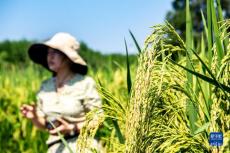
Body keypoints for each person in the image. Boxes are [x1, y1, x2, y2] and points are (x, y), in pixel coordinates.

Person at [20, 32, 102, 153]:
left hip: (83, 146)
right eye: (48, 52)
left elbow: (99, 119)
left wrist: (72, 128)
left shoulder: (85, 83)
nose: (50, 56)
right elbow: (46, 125)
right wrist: (34, 117)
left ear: (68, 57)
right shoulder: (45, 86)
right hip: (55, 148)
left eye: (55, 52)